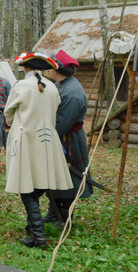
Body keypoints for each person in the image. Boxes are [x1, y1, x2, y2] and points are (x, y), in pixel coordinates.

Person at [4, 52, 73, 247]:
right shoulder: (52, 87)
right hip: (48, 141)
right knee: (39, 183)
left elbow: (8, 112)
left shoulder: (21, 86)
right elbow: (55, 109)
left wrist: (17, 121)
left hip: (27, 140)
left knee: (27, 190)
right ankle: (32, 229)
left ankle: (38, 236)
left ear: (25, 67)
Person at [43, 50, 94, 226]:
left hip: (69, 140)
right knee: (55, 175)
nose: (49, 70)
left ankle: (65, 216)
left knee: (69, 177)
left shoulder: (72, 92)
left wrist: (45, 136)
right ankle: (53, 212)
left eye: (52, 67)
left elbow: (61, 123)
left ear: (58, 69)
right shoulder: (61, 84)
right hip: (60, 137)